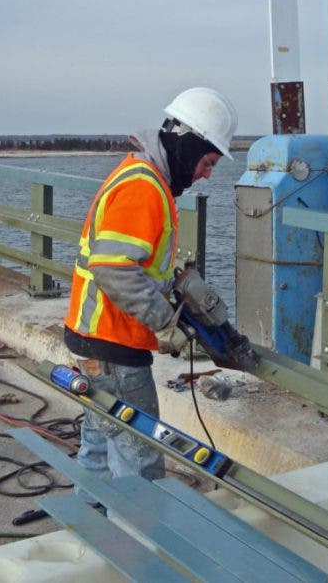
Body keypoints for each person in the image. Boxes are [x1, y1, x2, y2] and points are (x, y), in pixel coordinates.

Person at [64, 86, 237, 502]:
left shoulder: (143, 177)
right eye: (208, 161)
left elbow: (135, 264)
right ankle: (139, 553)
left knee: (100, 447)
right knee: (139, 460)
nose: (206, 174)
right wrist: (166, 322)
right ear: (187, 145)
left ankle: (87, 540)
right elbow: (113, 269)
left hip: (95, 340)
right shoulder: (144, 187)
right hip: (113, 346)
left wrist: (178, 294)